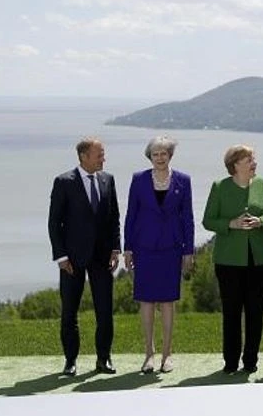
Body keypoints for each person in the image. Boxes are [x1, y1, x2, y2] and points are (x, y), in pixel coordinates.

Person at [202, 145, 263, 374]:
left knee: (256, 313)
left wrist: (261, 221)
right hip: (228, 261)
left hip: (261, 259)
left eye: (253, 159)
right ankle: (230, 361)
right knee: (232, 312)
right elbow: (208, 220)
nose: (254, 162)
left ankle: (250, 361)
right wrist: (230, 224)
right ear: (235, 164)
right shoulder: (220, 187)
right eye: (249, 159)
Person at [48, 137, 121, 376]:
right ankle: (70, 361)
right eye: (99, 154)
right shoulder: (63, 182)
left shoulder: (108, 179)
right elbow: (54, 223)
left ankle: (104, 359)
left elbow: (114, 218)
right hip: (72, 260)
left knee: (105, 311)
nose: (103, 158)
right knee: (69, 311)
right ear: (84, 157)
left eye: (103, 154)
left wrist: (115, 249)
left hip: (102, 258)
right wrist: (61, 257)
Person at [123, 136, 195, 374]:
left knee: (167, 302)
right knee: (146, 301)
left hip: (171, 248)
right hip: (144, 248)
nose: (160, 157)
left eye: (164, 153)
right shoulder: (139, 179)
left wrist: (188, 250)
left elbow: (188, 217)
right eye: (155, 154)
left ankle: (167, 354)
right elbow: (131, 215)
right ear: (150, 156)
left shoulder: (183, 180)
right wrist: (128, 248)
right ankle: (149, 355)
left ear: (170, 155)